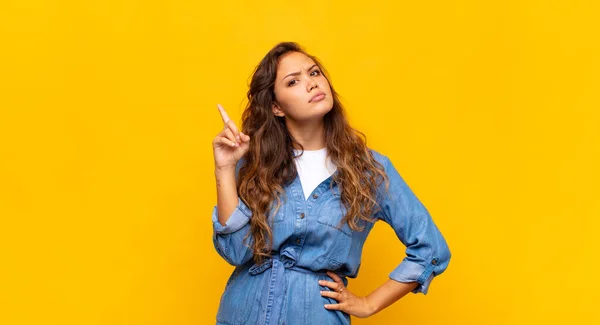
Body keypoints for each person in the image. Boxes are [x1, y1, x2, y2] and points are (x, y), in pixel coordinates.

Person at [211, 42, 451, 325]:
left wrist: (368, 304)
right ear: (276, 107)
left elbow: (431, 250)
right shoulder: (256, 162)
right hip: (243, 313)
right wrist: (224, 168)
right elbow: (235, 251)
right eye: (293, 81)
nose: (311, 84)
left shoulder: (369, 170)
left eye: (314, 73)